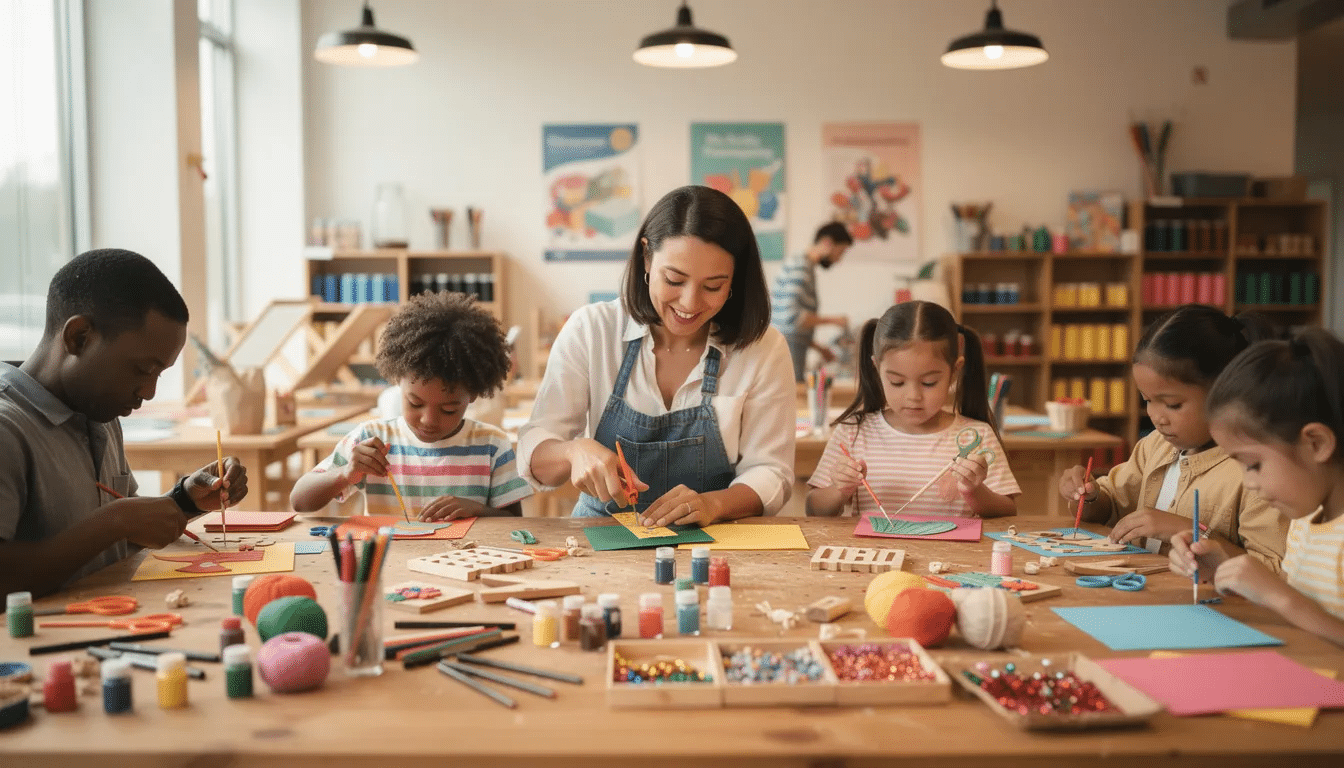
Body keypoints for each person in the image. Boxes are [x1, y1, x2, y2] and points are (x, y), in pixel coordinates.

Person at [519, 185, 795, 525]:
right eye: (674, 279)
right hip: (602, 535)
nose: (690, 303)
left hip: (715, 543)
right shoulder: (593, 330)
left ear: (735, 279)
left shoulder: (763, 348)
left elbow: (772, 471)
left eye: (713, 286)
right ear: (646, 258)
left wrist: (714, 505)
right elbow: (535, 453)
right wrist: (573, 451)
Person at [0, 249, 248, 596]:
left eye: (160, 373)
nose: (149, 392)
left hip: (111, 623)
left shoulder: (99, 415)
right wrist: (115, 521)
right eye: (144, 370)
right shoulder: (7, 429)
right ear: (79, 337)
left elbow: (120, 537)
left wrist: (184, 501)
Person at [1059, 304, 1288, 567]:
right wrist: (1090, 496)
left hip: (1208, 606)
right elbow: (1112, 506)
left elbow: (1271, 570)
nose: (1157, 417)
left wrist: (1191, 532)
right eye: (1147, 400)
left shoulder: (1255, 473)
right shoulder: (1154, 446)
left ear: (1227, 392)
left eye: (1173, 404)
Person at [1169, 329, 1344, 645]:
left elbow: (1294, 606)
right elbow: (1304, 613)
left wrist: (1281, 598)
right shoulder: (1305, 523)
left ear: (1316, 443)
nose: (1249, 483)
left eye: (1253, 464)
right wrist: (1228, 571)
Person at [291, 291, 530, 520]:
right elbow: (300, 501)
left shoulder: (492, 446)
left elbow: (514, 521)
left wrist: (476, 510)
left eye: (448, 409)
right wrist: (343, 474)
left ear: (474, 394)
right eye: (415, 403)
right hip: (388, 561)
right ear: (397, 381)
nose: (428, 420)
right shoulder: (371, 440)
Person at [807, 300, 1019, 518]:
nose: (913, 397)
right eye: (897, 382)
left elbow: (1007, 512)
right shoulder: (853, 432)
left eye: (929, 383)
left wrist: (975, 491)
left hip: (949, 553)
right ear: (877, 370)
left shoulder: (977, 436)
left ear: (954, 372)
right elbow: (814, 509)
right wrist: (839, 490)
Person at [770, 221, 854, 382]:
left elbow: (791, 326)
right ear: (828, 243)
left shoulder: (802, 265)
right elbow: (793, 318)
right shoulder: (801, 267)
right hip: (788, 349)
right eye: (841, 251)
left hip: (790, 346)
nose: (838, 259)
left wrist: (819, 349)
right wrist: (834, 320)